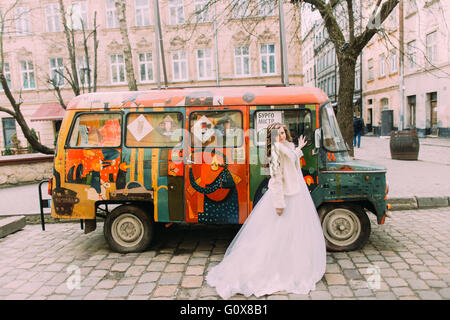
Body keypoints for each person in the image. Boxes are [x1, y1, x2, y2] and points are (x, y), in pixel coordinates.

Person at [206, 122, 326, 299]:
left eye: (284, 132)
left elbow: (292, 161)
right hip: (284, 196)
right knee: (277, 234)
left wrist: (299, 148)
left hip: (293, 193)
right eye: (278, 134)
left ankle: (287, 263)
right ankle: (277, 268)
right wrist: (279, 203)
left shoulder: (285, 147)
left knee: (288, 233)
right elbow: (276, 179)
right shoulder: (277, 150)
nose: (282, 136)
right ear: (273, 137)